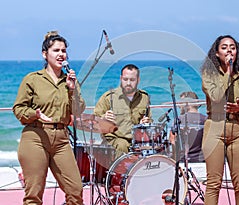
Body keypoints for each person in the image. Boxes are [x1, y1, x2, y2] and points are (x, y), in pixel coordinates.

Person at [13, 31, 86, 205]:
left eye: (63, 50)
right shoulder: (32, 79)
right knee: (34, 194)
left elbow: (78, 110)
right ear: (45, 54)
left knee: (76, 191)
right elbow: (19, 109)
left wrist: (71, 89)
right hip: (36, 137)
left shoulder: (71, 81)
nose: (61, 54)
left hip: (61, 139)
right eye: (56, 50)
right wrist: (34, 114)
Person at [201, 35, 239, 205]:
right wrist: (228, 74)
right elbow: (216, 96)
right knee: (214, 183)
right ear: (217, 53)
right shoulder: (208, 74)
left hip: (236, 129)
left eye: (232, 47)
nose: (229, 50)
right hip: (215, 128)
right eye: (224, 47)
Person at [94, 64, 151, 156]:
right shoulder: (109, 97)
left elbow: (149, 121)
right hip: (115, 140)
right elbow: (93, 121)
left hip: (136, 140)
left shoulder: (144, 98)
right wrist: (103, 118)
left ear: (138, 80)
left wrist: (145, 123)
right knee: (122, 145)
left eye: (132, 80)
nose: (128, 83)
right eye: (125, 79)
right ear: (121, 78)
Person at [178, 91, 207, 162]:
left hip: (184, 159)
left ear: (187, 104)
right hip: (202, 158)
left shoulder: (179, 119)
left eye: (181, 103)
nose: (179, 106)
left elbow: (172, 140)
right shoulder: (206, 119)